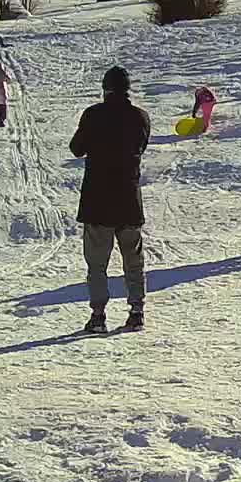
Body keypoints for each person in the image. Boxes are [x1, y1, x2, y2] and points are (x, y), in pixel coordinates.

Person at [70, 66, 151, 333]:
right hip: (128, 198)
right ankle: (137, 311)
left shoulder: (93, 114)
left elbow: (76, 148)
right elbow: (140, 147)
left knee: (97, 263)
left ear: (105, 89)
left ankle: (98, 315)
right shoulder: (141, 117)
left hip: (98, 200)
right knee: (133, 260)